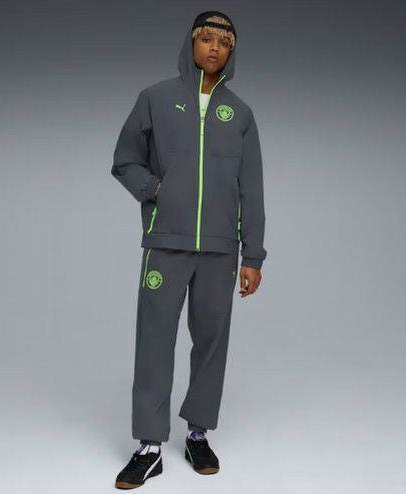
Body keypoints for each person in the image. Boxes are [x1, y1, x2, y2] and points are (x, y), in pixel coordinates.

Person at [111, 10, 267, 489]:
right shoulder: (155, 98)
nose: (215, 47)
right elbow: (125, 159)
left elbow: (252, 190)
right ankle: (149, 446)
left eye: (225, 41)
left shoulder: (240, 114)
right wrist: (155, 189)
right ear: (191, 43)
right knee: (154, 342)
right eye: (207, 38)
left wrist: (253, 256)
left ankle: (197, 434)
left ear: (232, 51)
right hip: (166, 243)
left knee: (212, 342)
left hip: (220, 250)